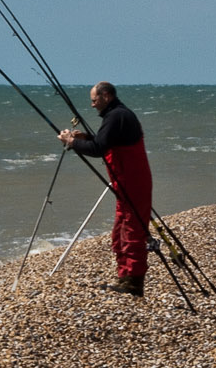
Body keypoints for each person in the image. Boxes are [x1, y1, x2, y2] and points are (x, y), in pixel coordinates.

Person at [58, 82, 152, 296]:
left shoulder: (117, 116)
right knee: (121, 230)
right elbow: (103, 142)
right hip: (126, 182)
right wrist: (84, 138)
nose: (92, 105)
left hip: (133, 182)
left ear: (106, 96)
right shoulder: (117, 115)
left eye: (94, 100)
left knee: (132, 231)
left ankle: (134, 284)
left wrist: (71, 142)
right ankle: (125, 277)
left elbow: (98, 149)